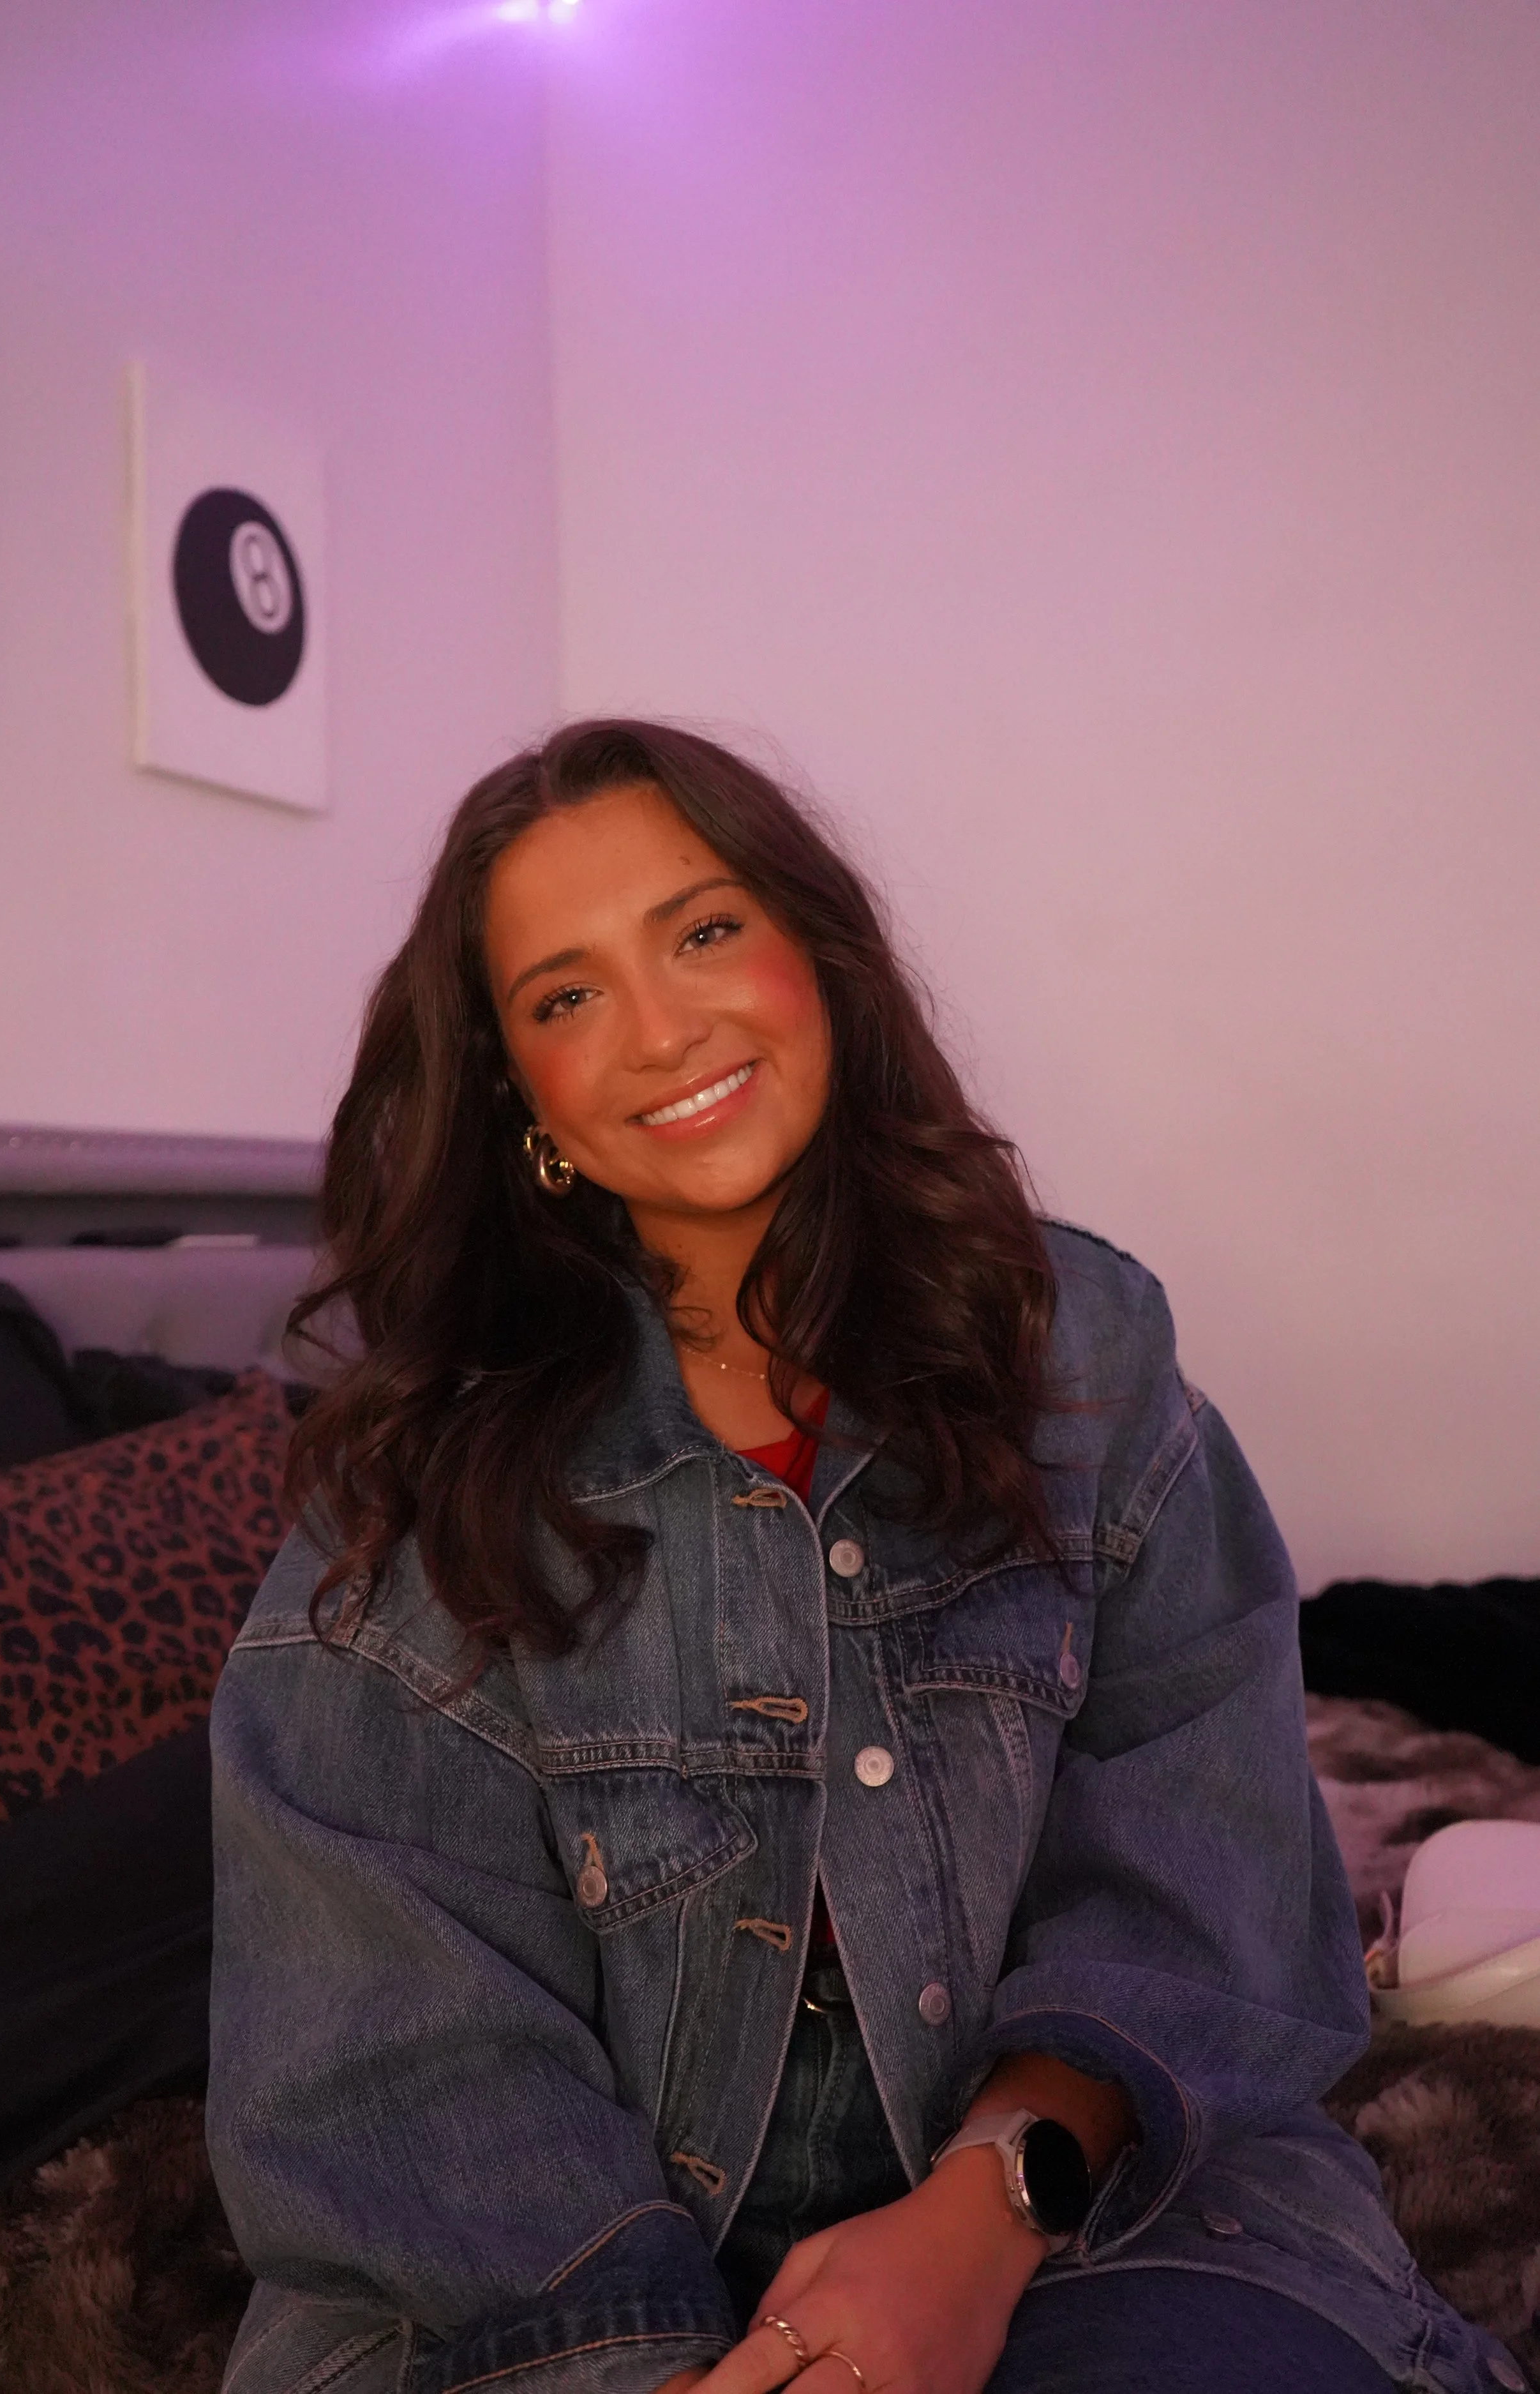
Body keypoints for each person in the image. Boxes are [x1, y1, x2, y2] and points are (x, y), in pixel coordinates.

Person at [207, 721, 1518, 2394]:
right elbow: (398, 2047)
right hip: (535, 2308)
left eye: (699, 930)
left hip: (1094, 2220)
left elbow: (1200, 1884)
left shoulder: (1081, 1351)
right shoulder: (414, 1480)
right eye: (564, 994)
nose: (661, 1024)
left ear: (815, 955)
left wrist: (981, 2216)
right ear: (517, 1095)